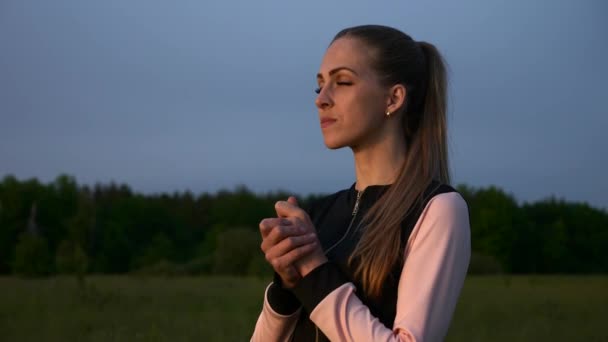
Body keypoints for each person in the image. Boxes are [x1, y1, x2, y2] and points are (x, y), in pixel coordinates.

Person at [251, 24, 471, 342]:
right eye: (319, 87)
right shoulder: (319, 214)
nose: (321, 100)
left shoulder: (437, 210)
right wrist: (286, 287)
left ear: (394, 98)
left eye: (342, 82)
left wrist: (314, 271)